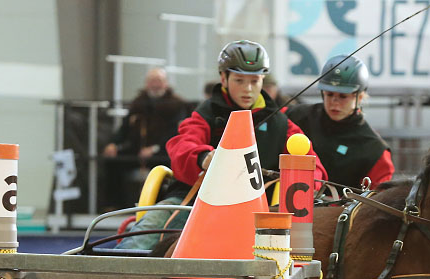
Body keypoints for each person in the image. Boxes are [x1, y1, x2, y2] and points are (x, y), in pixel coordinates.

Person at [119, 40, 326, 250]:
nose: (248, 89)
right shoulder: (205, 114)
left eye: (255, 81)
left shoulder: (283, 124)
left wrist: (304, 185)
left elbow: (313, 167)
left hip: (259, 212)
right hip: (194, 202)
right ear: (223, 78)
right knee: (142, 238)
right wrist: (204, 157)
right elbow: (182, 145)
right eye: (239, 80)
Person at [284, 54, 393, 193]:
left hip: (338, 213)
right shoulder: (294, 117)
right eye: (329, 94)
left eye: (343, 96)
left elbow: (379, 202)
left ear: (360, 97)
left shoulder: (375, 151)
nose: (334, 102)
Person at [102, 67, 188, 209]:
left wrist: (154, 149)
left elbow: (175, 132)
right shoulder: (138, 103)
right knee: (113, 162)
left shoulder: (177, 105)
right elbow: (125, 128)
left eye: (158, 80)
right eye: (152, 81)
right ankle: (116, 205)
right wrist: (113, 144)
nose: (155, 84)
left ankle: (160, 206)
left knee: (165, 167)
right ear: (146, 83)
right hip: (137, 151)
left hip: (163, 152)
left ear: (165, 83)